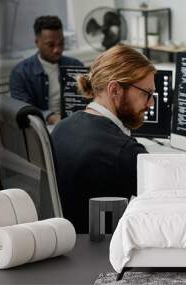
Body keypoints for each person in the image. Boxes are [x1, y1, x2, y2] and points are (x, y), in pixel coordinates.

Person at [51, 45, 156, 233]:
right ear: (115, 89)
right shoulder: (124, 151)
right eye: (145, 94)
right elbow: (166, 206)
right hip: (101, 253)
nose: (151, 103)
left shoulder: (62, 127)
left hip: (68, 243)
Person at [10, 15, 83, 125]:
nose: (57, 50)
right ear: (37, 42)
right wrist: (50, 117)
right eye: (51, 45)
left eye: (61, 43)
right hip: (42, 128)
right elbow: (24, 109)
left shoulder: (76, 65)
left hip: (75, 123)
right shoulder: (20, 73)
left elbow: (87, 99)